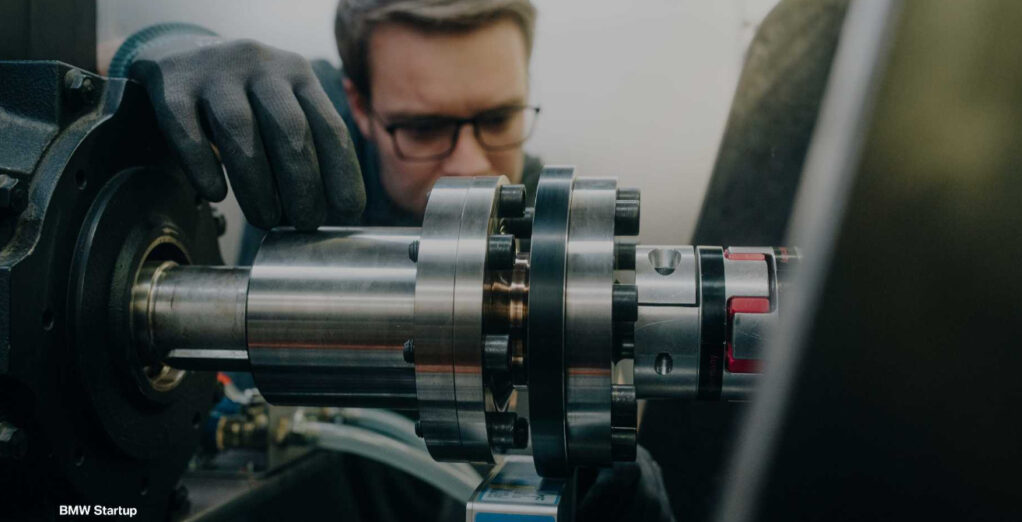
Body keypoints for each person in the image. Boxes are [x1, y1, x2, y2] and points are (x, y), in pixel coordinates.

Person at [110, 1, 674, 521]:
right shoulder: (312, 121)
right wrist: (170, 49)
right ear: (358, 105)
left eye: (499, 120)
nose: (474, 165)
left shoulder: (538, 223)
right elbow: (135, 54)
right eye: (424, 128)